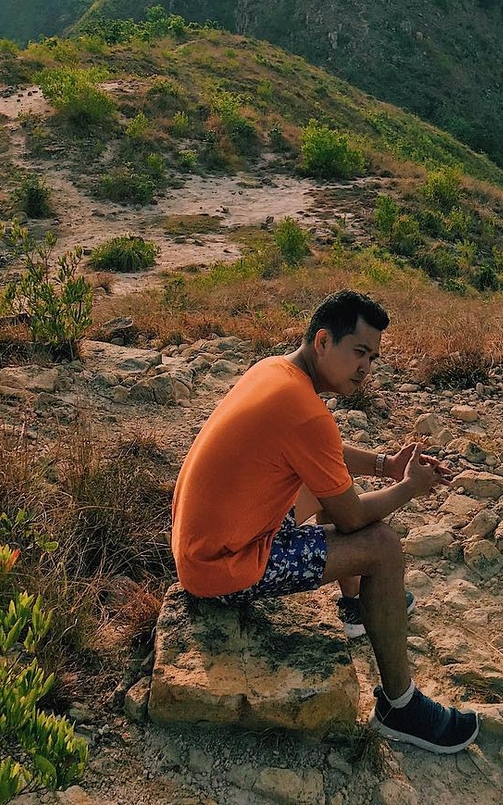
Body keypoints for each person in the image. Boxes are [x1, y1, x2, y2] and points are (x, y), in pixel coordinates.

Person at [171, 289, 479, 754]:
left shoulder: (274, 371)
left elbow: (321, 454)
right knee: (382, 546)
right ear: (322, 341)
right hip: (222, 568)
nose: (366, 368)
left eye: (372, 357)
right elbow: (353, 517)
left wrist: (386, 465)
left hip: (199, 545)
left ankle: (358, 610)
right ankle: (401, 706)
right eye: (359, 352)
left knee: (322, 486)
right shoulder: (305, 412)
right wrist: (410, 488)